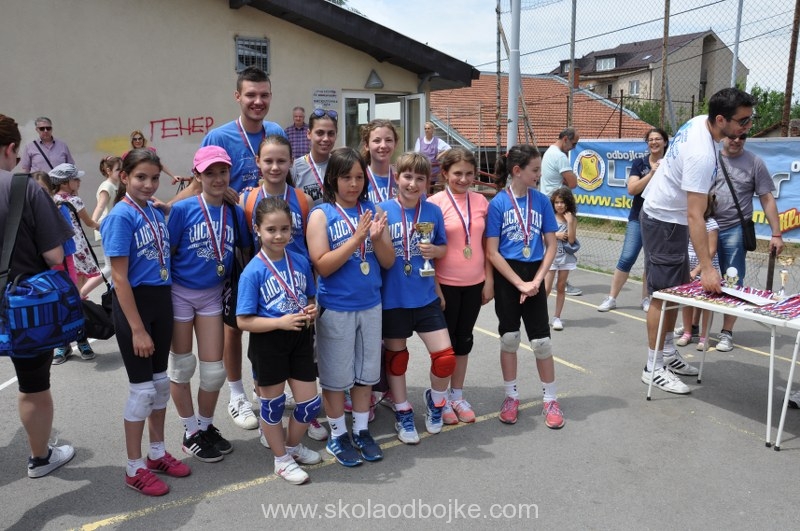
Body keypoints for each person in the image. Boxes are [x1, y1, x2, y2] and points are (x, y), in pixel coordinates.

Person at [187, 66, 286, 431]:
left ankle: (264, 386)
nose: (258, 101)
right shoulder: (219, 135)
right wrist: (169, 207)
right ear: (238, 97)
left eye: (264, 95)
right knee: (234, 325)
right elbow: (198, 183)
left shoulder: (275, 133)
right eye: (251, 95)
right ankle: (237, 394)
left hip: (271, 244)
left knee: (269, 317)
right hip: (232, 245)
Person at [639, 87, 755, 395]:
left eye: (749, 120)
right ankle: (653, 366)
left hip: (671, 219)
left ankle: (666, 353)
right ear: (721, 119)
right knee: (662, 296)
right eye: (742, 121)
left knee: (674, 293)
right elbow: (695, 215)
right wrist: (707, 267)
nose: (747, 127)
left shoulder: (701, 121)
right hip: (665, 220)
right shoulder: (702, 155)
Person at [102, 148, 191, 496]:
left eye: (154, 178)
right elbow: (119, 278)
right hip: (135, 308)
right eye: (140, 177)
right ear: (124, 177)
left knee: (160, 386)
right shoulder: (121, 216)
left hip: (160, 302)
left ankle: (156, 453)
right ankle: (133, 468)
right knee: (141, 393)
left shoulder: (153, 210)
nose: (149, 184)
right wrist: (137, 329)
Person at [306, 147, 395, 467]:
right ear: (333, 179)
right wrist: (357, 239)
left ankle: (360, 431)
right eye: (346, 177)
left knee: (365, 373)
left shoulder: (373, 210)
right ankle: (338, 435)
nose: (354, 184)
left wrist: (378, 238)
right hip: (336, 307)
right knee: (335, 377)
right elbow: (323, 265)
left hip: (370, 305)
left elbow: (388, 261)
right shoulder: (321, 214)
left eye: (359, 177)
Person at [0, 113, 76, 479]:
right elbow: (55, 256)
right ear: (11, 148)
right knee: (32, 387)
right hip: (23, 306)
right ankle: (40, 458)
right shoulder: (25, 189)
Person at [166, 146, 250, 464]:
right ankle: (190, 432)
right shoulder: (183, 209)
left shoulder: (234, 212)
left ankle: (204, 426)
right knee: (182, 367)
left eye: (223, 172)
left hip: (213, 294)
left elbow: (245, 249)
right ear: (197, 176)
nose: (217, 179)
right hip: (180, 293)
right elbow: (169, 252)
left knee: (214, 371)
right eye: (210, 173)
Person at [242, 134, 327, 441]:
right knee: (266, 364)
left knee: (304, 357)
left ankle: (305, 417)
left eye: (281, 160)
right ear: (258, 162)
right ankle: (271, 421)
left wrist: (311, 295)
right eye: (269, 160)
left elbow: (310, 246)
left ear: (291, 162)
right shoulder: (248, 200)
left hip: (299, 288)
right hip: (268, 293)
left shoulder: (302, 200)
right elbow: (246, 247)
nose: (275, 166)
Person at [237, 197, 322, 485]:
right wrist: (279, 322)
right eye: (271, 229)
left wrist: (312, 309)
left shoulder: (300, 261)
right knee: (272, 406)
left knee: (309, 404)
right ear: (257, 229)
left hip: (300, 338)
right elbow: (243, 321)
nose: (279, 235)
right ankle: (281, 460)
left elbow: (310, 298)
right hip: (268, 343)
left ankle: (291, 447)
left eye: (284, 229)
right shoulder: (253, 271)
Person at [486, 144, 564, 429]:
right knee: (509, 338)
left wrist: (538, 280)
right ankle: (511, 396)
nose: (539, 175)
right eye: (535, 170)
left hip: (534, 275)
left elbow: (551, 245)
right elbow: (492, 251)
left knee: (542, 342)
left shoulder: (541, 201)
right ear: (517, 171)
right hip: (509, 277)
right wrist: (519, 283)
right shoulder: (498, 204)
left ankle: (550, 399)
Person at [378, 152, 454, 444]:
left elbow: (443, 247)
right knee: (397, 360)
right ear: (397, 177)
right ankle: (403, 410)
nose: (412, 184)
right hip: (393, 299)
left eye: (419, 179)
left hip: (425, 297)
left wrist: (436, 251)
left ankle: (436, 401)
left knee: (445, 357)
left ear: (427, 182)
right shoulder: (382, 210)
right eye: (407, 177)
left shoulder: (432, 211)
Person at [427, 147, 493, 425]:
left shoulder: (481, 202)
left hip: (474, 284)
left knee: (464, 342)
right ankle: (439, 398)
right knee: (445, 349)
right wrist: (436, 288)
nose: (463, 179)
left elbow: (487, 246)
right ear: (445, 173)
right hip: (445, 285)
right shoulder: (434, 203)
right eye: (457, 173)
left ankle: (457, 395)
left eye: (468, 173)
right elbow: (427, 252)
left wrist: (489, 280)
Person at [711, 133, 784, 352]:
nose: (736, 140)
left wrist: (776, 233)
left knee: (732, 280)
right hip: (706, 227)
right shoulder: (710, 158)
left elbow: (767, 198)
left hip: (734, 229)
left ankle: (726, 332)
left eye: (742, 137)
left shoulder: (754, 162)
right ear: (723, 136)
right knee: (698, 276)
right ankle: (693, 327)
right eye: (732, 136)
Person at [597, 128, 668, 313]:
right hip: (638, 218)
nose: (654, 142)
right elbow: (632, 189)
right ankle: (611, 298)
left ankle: (646, 298)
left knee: (651, 261)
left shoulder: (671, 162)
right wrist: (651, 174)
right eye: (650, 140)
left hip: (660, 219)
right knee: (627, 257)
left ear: (665, 142)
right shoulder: (639, 163)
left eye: (658, 139)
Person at [49, 163, 101, 363]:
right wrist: (104, 226)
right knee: (76, 300)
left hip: (60, 254)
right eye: (76, 179)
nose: (79, 182)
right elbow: (90, 223)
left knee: (64, 300)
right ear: (65, 182)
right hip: (77, 253)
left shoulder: (51, 201)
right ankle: (81, 341)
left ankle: (65, 344)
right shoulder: (75, 201)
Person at [540, 127, 582, 297]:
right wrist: (568, 179)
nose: (574, 147)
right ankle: (558, 281)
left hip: (549, 200)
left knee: (554, 243)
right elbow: (573, 183)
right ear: (565, 139)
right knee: (559, 242)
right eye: (574, 143)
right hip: (555, 202)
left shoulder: (549, 152)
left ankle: (554, 279)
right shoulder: (560, 156)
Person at [675, 194, 720, 351]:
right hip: (688, 266)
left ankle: (704, 337)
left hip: (705, 269)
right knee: (687, 301)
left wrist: (696, 271)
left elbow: (711, 251)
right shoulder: (688, 222)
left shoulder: (711, 224)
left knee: (706, 303)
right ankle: (688, 332)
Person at [80, 156, 122, 299]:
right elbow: (100, 206)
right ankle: (82, 292)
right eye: (118, 169)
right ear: (108, 171)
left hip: (113, 228)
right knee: (110, 267)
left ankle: (115, 294)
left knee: (116, 266)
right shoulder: (107, 186)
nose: (121, 172)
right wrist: (93, 223)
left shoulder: (116, 185)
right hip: (107, 228)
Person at [544, 187, 579, 331]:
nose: (559, 205)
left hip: (565, 258)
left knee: (561, 286)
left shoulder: (572, 219)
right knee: (546, 288)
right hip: (551, 257)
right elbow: (541, 237)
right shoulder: (549, 216)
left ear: (568, 203)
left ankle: (557, 317)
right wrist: (556, 235)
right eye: (557, 202)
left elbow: (571, 240)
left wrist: (569, 222)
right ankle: (540, 315)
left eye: (562, 202)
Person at [292, 109, 338, 206]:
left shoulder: (341, 165)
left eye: (331, 133)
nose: (326, 139)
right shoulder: (295, 168)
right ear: (309, 134)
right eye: (320, 133)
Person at [362, 119, 398, 205]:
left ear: (395, 144)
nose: (383, 145)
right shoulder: (359, 179)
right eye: (377, 141)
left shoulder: (404, 177)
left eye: (388, 140)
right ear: (366, 145)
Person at [413, 121, 451, 191]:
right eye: (425, 129)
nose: (427, 130)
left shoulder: (437, 141)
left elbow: (448, 148)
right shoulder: (420, 140)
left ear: (433, 130)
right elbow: (416, 154)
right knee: (423, 186)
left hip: (434, 170)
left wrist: (440, 155)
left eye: (428, 128)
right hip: (423, 168)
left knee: (431, 188)